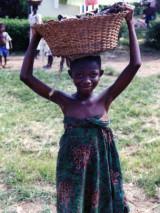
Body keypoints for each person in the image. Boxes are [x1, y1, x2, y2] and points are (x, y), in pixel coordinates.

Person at [20, 5, 141, 213]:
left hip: (101, 168)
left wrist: (130, 23)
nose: (86, 80)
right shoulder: (63, 100)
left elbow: (135, 65)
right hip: (72, 170)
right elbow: (26, 77)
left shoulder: (106, 98)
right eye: (79, 75)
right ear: (70, 76)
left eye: (92, 74)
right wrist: (36, 38)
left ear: (100, 73)